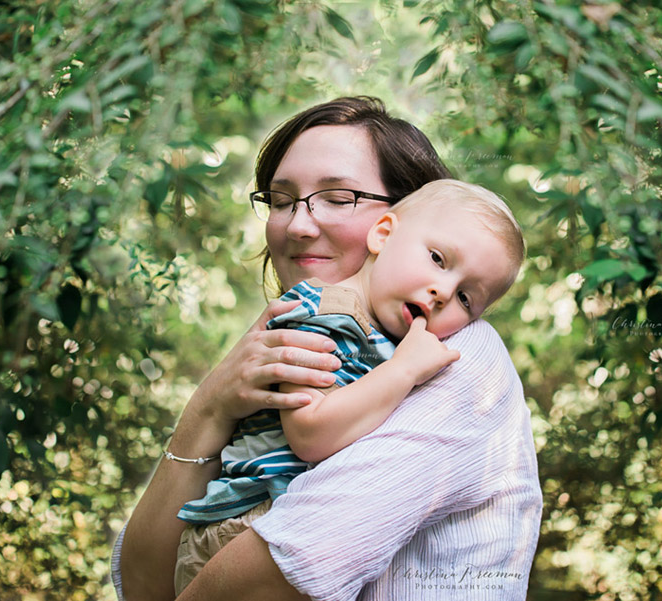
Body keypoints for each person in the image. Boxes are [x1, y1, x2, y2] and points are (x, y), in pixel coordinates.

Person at [115, 96, 542, 601]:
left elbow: (290, 563)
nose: (296, 225)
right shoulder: (296, 336)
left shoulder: (458, 356)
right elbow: (144, 586)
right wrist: (210, 406)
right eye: (280, 199)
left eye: (339, 198)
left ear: (400, 216)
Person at [172, 179, 526, 595]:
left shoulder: (387, 338)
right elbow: (310, 433)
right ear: (384, 234)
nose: (443, 292)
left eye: (467, 299)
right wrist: (403, 372)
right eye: (437, 258)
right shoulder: (325, 309)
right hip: (242, 526)